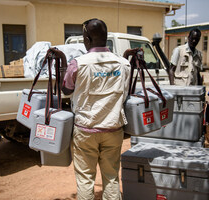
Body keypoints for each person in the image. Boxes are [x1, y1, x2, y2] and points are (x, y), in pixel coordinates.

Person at [49, 18, 131, 200]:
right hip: (113, 128)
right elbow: (125, 94)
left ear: (87, 38)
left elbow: (66, 90)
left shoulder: (78, 63)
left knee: (85, 180)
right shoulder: (124, 64)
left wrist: (62, 60)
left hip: (85, 131)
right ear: (106, 37)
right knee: (111, 178)